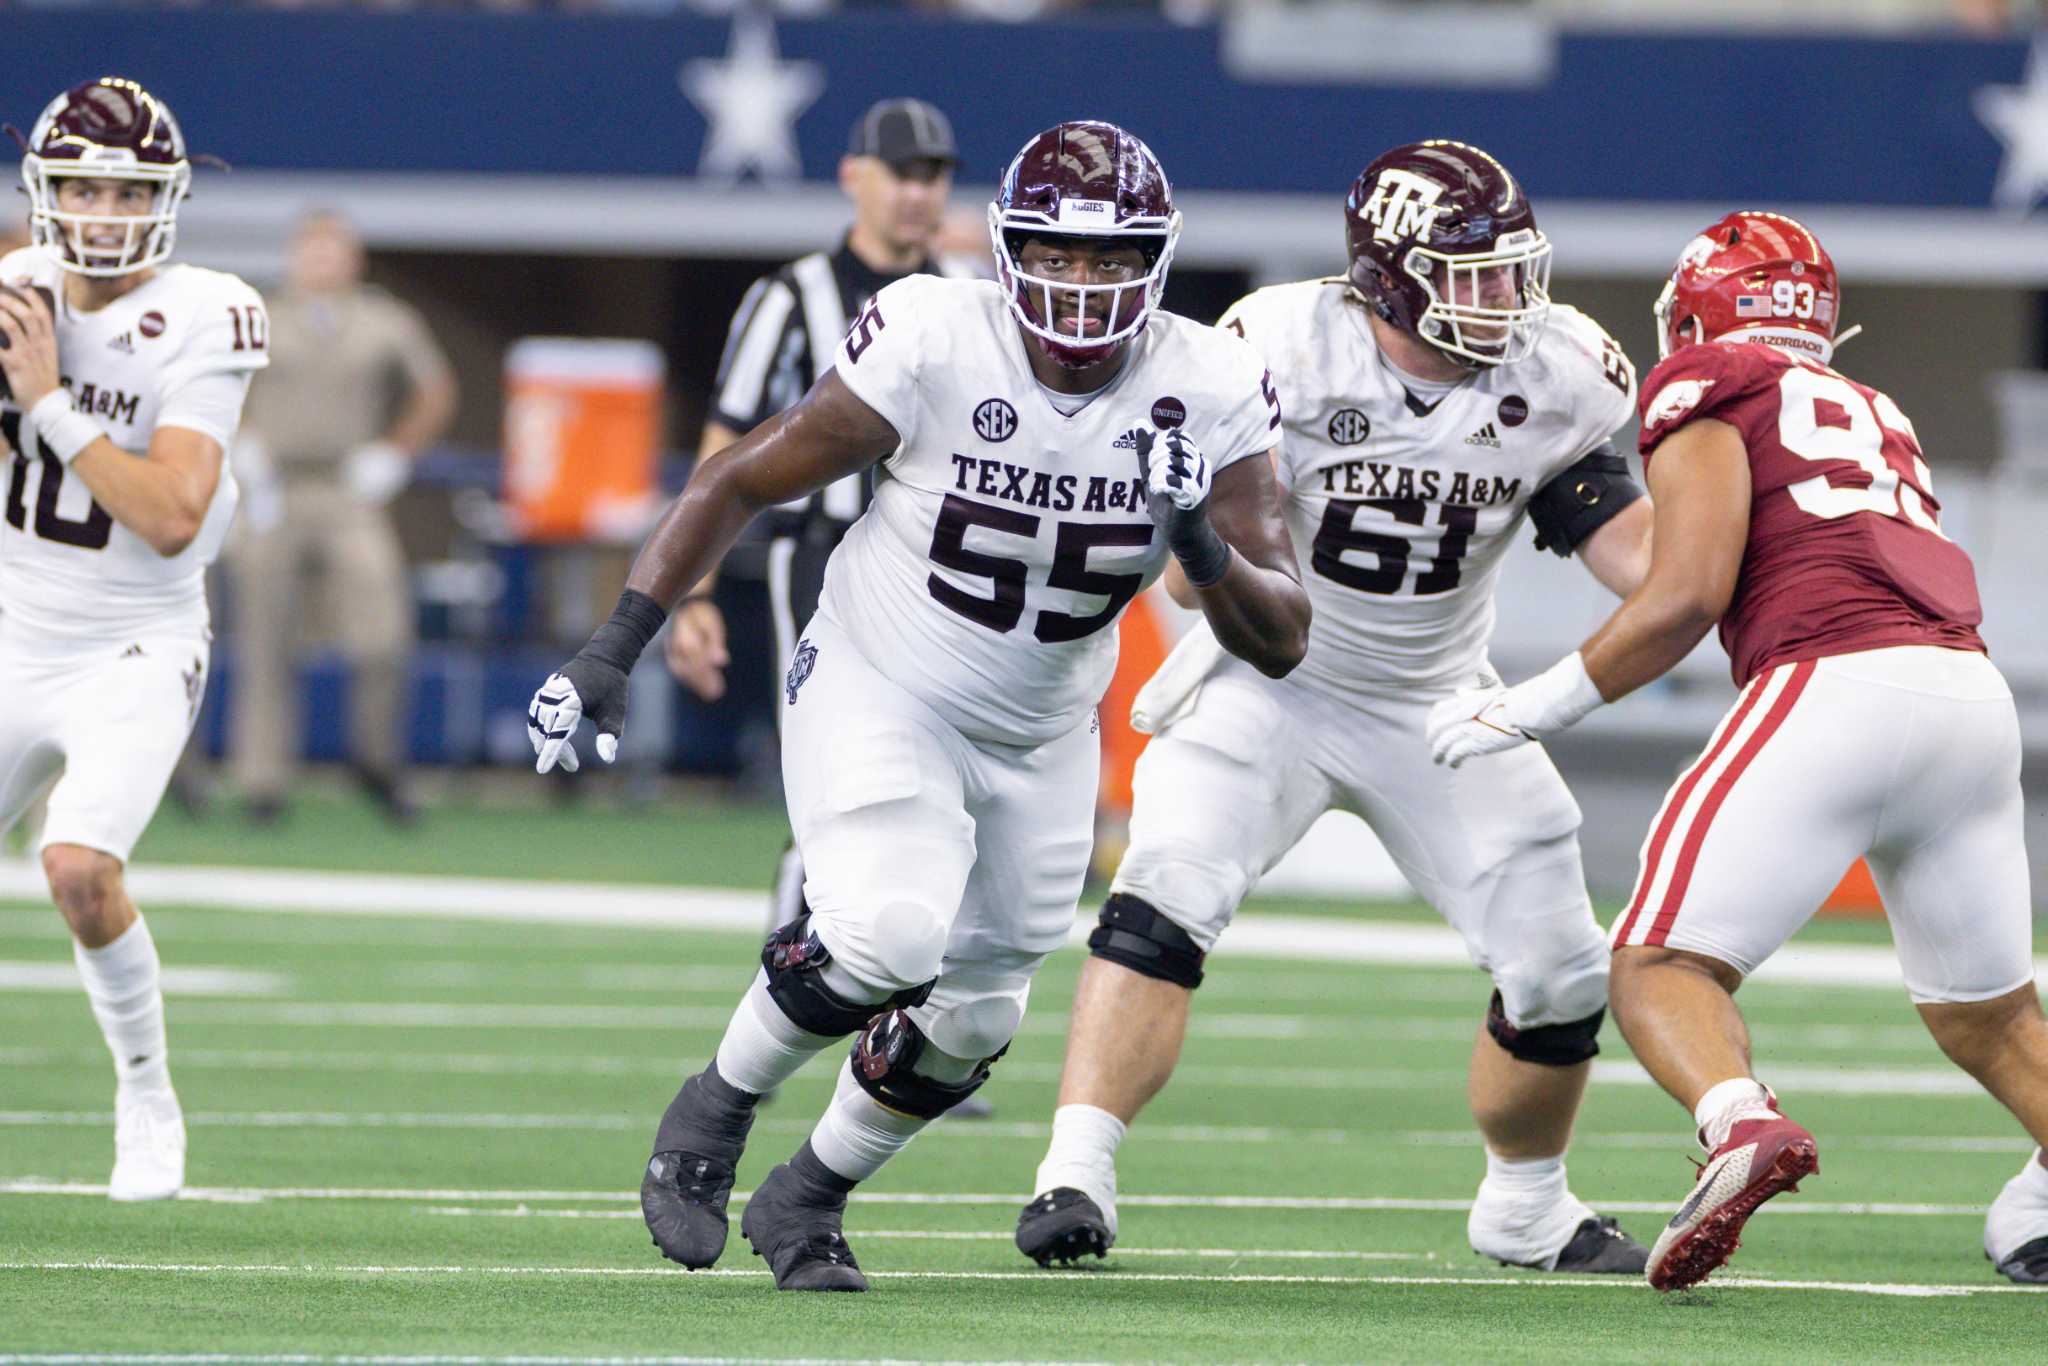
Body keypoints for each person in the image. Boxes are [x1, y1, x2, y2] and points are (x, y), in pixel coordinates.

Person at [526, 120, 1311, 1292]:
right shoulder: (935, 336)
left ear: (1153, 260)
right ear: (1003, 251)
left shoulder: (1208, 383)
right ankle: (713, 1109)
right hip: (882, 675)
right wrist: (614, 645)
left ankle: (809, 1196)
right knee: (886, 931)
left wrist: (1196, 537)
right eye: (1057, 255)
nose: (1082, 288)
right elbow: (738, 475)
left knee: (978, 1015)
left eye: (1109, 261)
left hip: (1043, 720)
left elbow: (1280, 634)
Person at [1018, 141, 1656, 1275]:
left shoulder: (1556, 372)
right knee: (1162, 892)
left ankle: (1525, 1204)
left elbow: (1632, 549)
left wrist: (1738, 566)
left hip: (1440, 699)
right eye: (1474, 274)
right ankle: (1073, 1171)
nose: (1507, 298)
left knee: (1561, 970)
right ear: (1390, 276)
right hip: (1271, 683)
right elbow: (1190, 568)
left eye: (1512, 270)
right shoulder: (1280, 349)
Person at [1426, 210, 2042, 1290]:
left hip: (1830, 684)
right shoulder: (1872, 403)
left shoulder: (1707, 378)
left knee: (1656, 962)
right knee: (1986, 1014)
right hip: (1965, 695)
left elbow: (1684, 594)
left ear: (1704, 308)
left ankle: (1736, 1123)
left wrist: (1532, 704)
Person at [0, 77, 270, 1200]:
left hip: (132, 640)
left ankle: (146, 1092)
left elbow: (166, 517)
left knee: (77, 867)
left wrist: (49, 399)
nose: (103, 210)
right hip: (13, 624)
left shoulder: (210, 311)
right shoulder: (16, 285)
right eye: (81, 186)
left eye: (126, 189)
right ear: (45, 190)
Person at [666, 96, 972, 941]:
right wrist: (690, 593)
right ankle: (780, 995)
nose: (918, 193)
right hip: (821, 556)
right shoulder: (790, 296)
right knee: (832, 786)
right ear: (853, 177)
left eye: (934, 175)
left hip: (939, 567)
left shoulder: (966, 300)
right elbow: (723, 450)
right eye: (902, 173)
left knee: (940, 793)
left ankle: (906, 1035)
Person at [228, 209, 456, 825]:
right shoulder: (260, 315)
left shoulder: (384, 319)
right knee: (265, 636)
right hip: (275, 488)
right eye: (313, 250)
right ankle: (262, 782)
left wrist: (395, 451)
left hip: (349, 491)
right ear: (295, 256)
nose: (322, 263)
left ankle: (376, 760)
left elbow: (436, 389)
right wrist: (240, 440)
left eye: (334, 251)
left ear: (352, 259)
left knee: (382, 632)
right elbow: (217, 385)